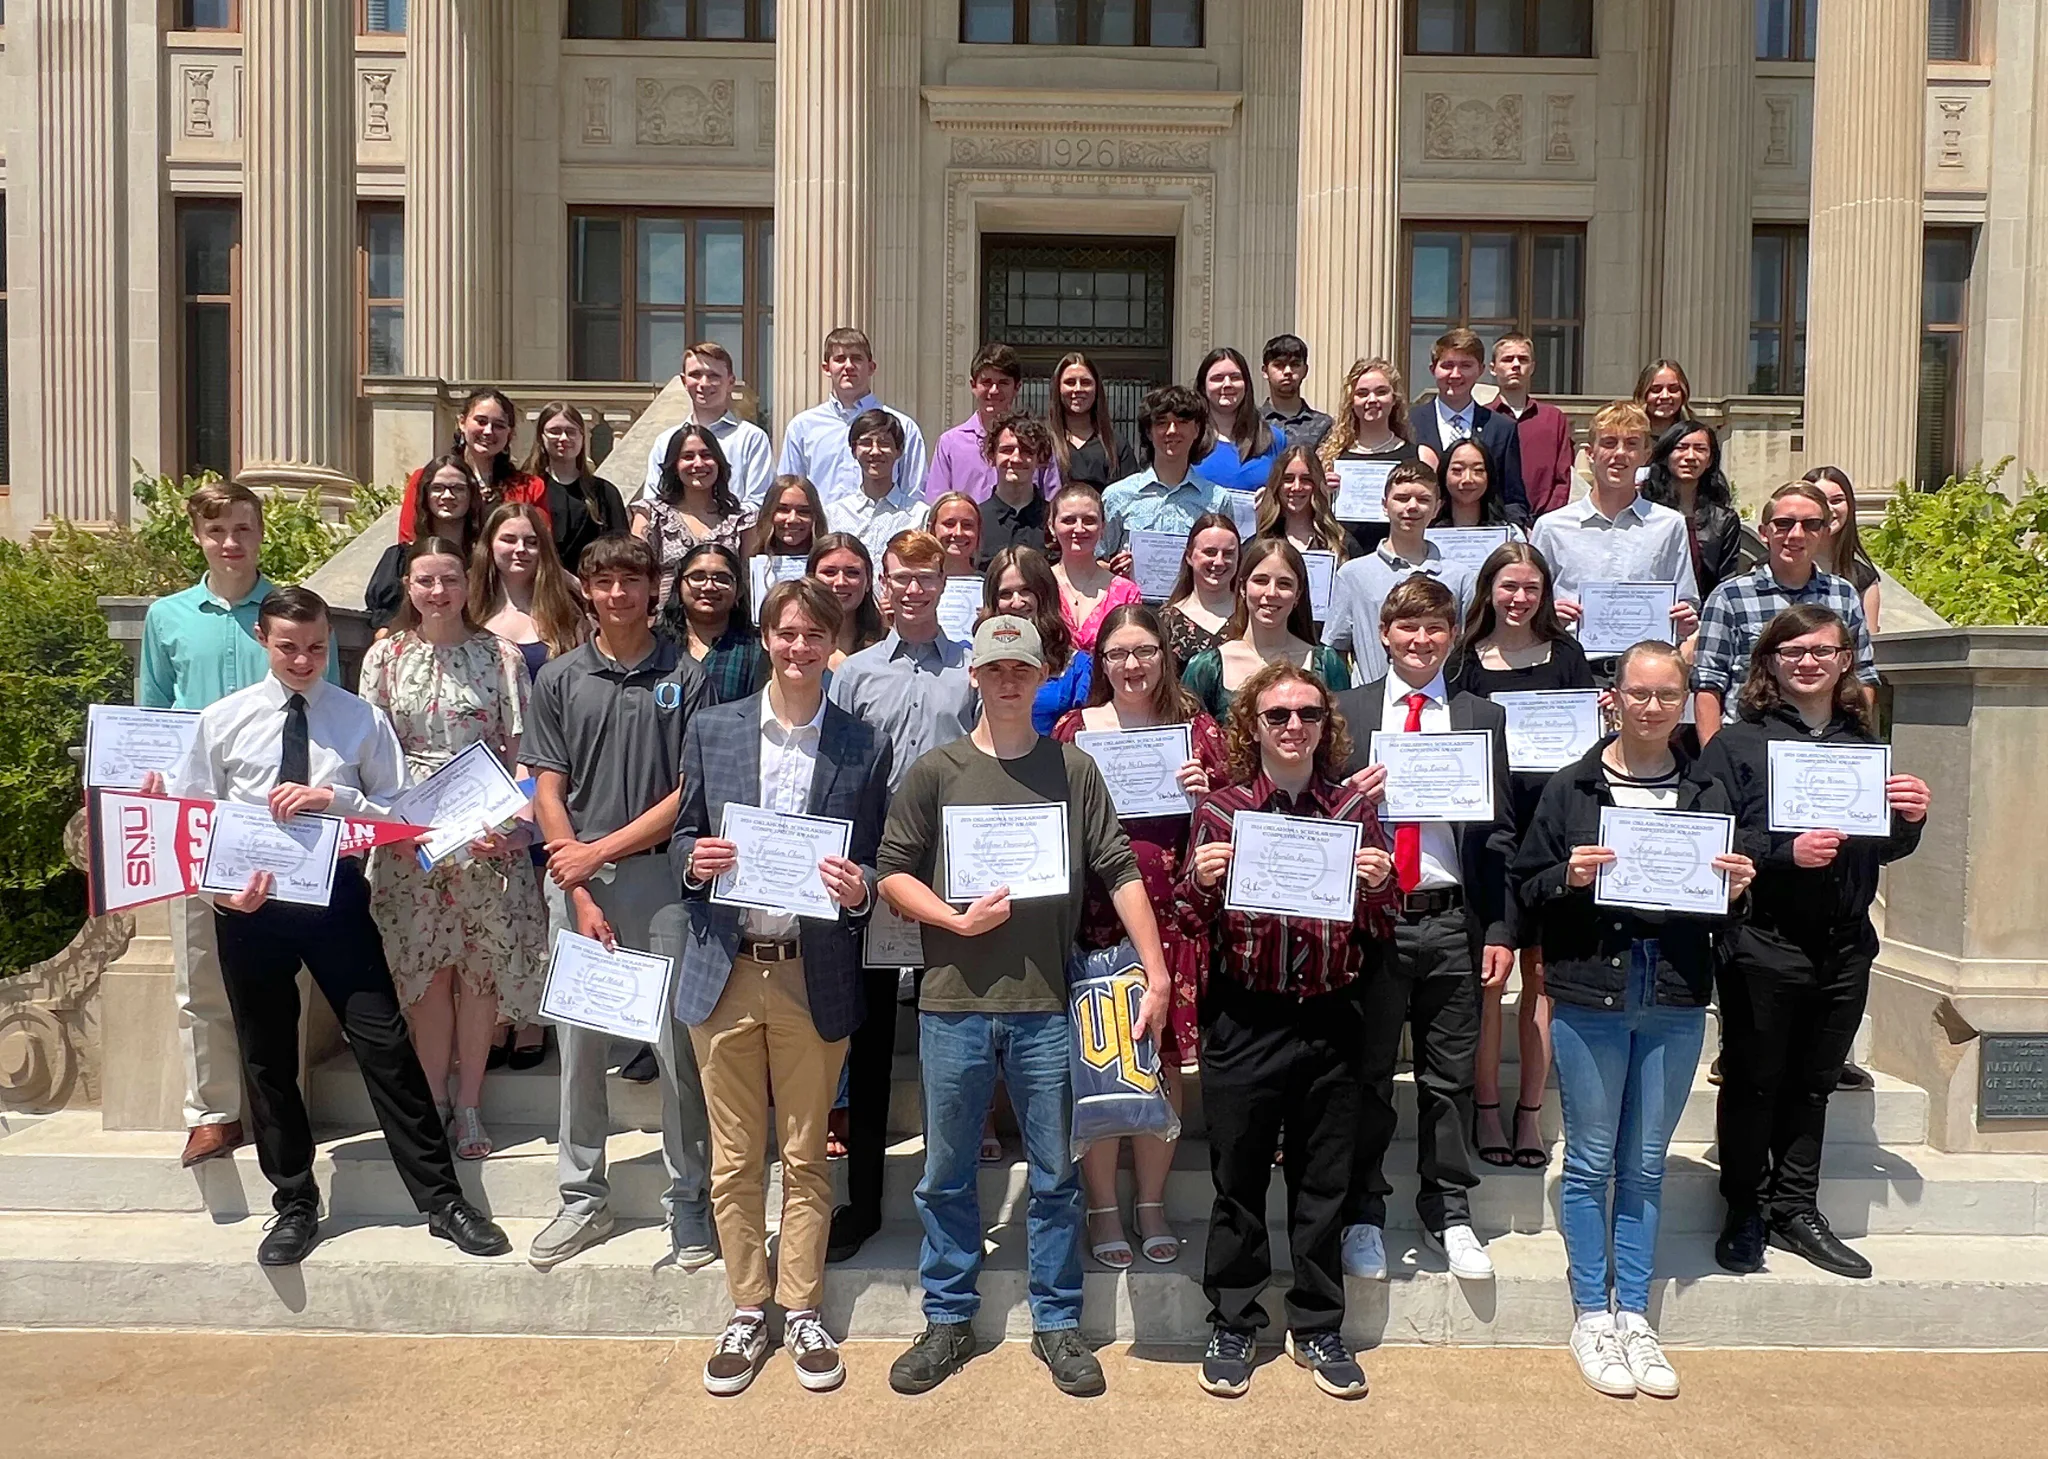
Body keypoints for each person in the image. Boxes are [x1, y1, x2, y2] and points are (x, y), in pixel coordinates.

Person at [158, 586, 508, 1265]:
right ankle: (293, 1201)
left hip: (337, 899)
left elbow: (398, 808)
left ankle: (442, 1201)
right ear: (263, 639)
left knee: (385, 1045)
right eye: (288, 647)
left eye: (316, 647)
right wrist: (221, 895)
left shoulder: (359, 719)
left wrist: (334, 797)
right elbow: (190, 820)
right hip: (249, 909)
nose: (302, 660)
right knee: (266, 1057)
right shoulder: (223, 720)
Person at [875, 613, 1171, 1400]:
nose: (1008, 681)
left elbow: (1118, 867)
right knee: (944, 1173)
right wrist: (953, 920)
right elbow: (891, 871)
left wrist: (1157, 969)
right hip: (952, 1001)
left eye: (1022, 669)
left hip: (1046, 1002)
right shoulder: (936, 771)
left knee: (1054, 1174)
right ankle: (947, 1317)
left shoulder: (1072, 768)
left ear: (1041, 678)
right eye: (995, 668)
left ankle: (1057, 1320)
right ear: (974, 675)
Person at [1510, 639, 1757, 1400]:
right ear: (1612, 697)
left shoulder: (1708, 790)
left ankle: (1634, 1314)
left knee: (1646, 1163)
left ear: (1686, 703)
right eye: (1639, 693)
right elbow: (1526, 882)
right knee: (1590, 1160)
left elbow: (1731, 901)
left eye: (1667, 695)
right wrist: (1567, 875)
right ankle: (1592, 1311)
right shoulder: (1572, 785)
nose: (1652, 707)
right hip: (1593, 986)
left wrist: (1738, 888)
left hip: (1675, 989)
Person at [671, 577, 893, 1396]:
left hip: (812, 970)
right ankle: (745, 1306)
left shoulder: (862, 743)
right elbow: (684, 835)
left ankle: (800, 1307)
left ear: (832, 645)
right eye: (787, 633)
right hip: (725, 968)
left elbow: (876, 856)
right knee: (734, 1159)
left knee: (805, 1153)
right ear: (765, 638)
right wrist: (694, 862)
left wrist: (860, 887)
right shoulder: (715, 727)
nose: (800, 648)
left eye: (814, 635)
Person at [1177, 661, 1397, 1401]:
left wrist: (1378, 886)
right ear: (1253, 725)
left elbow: (1382, 921)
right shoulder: (1222, 812)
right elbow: (1189, 919)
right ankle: (1234, 1320)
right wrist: (1201, 881)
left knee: (1322, 1180)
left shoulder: (1353, 809)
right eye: (1278, 715)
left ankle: (1317, 1323)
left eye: (1308, 713)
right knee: (1238, 1180)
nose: (1294, 726)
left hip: (1332, 1014)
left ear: (1326, 724)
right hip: (1247, 1014)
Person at [1702, 605, 1929, 1282]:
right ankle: (1745, 1207)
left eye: (1822, 651)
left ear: (1844, 661)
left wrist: (1910, 819)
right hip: (1764, 938)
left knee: (1814, 1085)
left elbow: (1881, 845)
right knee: (1753, 1080)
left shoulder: (1863, 742)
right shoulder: (1737, 744)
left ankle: (1796, 1208)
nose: (1808, 662)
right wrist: (1782, 852)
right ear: (1770, 662)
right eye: (1793, 651)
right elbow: (1708, 833)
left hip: (1845, 942)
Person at [522, 534, 715, 1272]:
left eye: (632, 581)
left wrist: (598, 853)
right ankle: (581, 1197)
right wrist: (577, 883)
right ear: (586, 589)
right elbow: (547, 789)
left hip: (659, 882)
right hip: (577, 884)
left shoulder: (687, 676)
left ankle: (689, 1198)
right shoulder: (559, 677)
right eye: (604, 582)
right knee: (579, 1049)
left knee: (676, 1049)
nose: (618, 594)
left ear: (653, 587)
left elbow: (689, 793)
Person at [138, 481, 337, 1169]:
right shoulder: (167, 616)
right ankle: (213, 1113)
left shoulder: (293, 613)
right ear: (198, 535)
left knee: (287, 975)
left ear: (260, 533)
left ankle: (280, 1107)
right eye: (218, 529)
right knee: (199, 967)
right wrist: (150, 775)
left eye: (243, 528)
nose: (231, 542)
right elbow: (152, 711)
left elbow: (327, 706)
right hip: (198, 812)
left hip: (276, 815)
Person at [1332, 575, 1514, 1287]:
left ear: (1452, 635)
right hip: (1373, 920)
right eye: (1407, 627)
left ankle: (1449, 1208)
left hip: (1450, 919)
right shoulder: (1348, 711)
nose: (1420, 639)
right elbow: (1318, 815)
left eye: (1435, 627)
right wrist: (1353, 805)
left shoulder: (1480, 717)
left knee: (1450, 1076)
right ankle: (1364, 1211)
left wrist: (1499, 927)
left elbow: (1500, 834)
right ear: (1383, 634)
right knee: (1368, 1072)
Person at [1050, 603, 1226, 1269]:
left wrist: (1206, 792)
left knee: (1161, 1060)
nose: (1132, 664)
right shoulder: (1074, 730)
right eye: (1118, 652)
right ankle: (1102, 1205)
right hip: (1091, 920)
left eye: (1145, 650)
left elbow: (1232, 816)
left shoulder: (1195, 729)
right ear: (1101, 662)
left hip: (1171, 918)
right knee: (1098, 1059)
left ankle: (1150, 1201)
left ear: (1165, 656)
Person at [360, 538, 547, 1162]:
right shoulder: (384, 657)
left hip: (484, 825)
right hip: (411, 830)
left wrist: (518, 825)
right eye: (425, 581)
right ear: (408, 587)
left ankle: (469, 1103)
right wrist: (392, 822)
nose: (438, 593)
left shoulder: (501, 656)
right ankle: (434, 1100)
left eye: (450, 580)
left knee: (479, 968)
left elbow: (523, 752)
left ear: (469, 584)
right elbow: (370, 752)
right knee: (426, 972)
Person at [823, 529, 979, 1261]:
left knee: (953, 1035)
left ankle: (954, 1202)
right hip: (876, 877)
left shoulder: (970, 672)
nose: (913, 590)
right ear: (882, 585)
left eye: (926, 577)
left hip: (948, 876)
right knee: (873, 1038)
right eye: (900, 578)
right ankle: (862, 1202)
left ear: (945, 583)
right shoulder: (853, 674)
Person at [1448, 542, 1593, 1168]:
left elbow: (1588, 752)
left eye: (1531, 588)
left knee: (1541, 976)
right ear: (1489, 590)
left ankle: (1529, 1112)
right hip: (1489, 835)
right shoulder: (1463, 659)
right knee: (1490, 976)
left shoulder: (1567, 656)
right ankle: (1485, 1107)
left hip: (1553, 832)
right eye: (1508, 586)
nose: (1519, 598)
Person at [472, 500, 587, 1071]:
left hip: (551, 771)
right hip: (485, 774)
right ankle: (499, 1012)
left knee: (543, 896)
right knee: (498, 899)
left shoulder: (565, 612)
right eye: (508, 539)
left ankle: (535, 1015)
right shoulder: (469, 610)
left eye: (531, 540)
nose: (519, 550)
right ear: (488, 546)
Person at [1692, 479, 1876, 744]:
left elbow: (1862, 676)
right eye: (1784, 524)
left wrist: (1856, 742)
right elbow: (1708, 682)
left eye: (1811, 524)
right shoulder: (1730, 597)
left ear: (1824, 533)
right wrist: (1714, 755)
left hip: (1826, 745)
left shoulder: (1844, 595)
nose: (1796, 534)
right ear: (1764, 532)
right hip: (1748, 746)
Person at [1528, 401, 1700, 678]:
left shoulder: (1670, 525)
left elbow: (1687, 599)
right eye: (1609, 443)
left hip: (1646, 675)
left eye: (1631, 444)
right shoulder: (1551, 527)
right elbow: (1528, 601)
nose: (1620, 454)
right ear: (1590, 453)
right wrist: (1546, 615)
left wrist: (1685, 616)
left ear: (1646, 454)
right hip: (1570, 670)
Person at [1322, 460, 1476, 684]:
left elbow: (1467, 646)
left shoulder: (1460, 577)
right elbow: (1335, 649)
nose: (1412, 507)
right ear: (1385, 505)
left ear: (1437, 508)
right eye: (1402, 498)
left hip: (1441, 697)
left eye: (1423, 499)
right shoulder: (1353, 575)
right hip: (1373, 698)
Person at [1181, 537, 1349, 719]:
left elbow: (1343, 731)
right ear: (1243, 588)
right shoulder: (1207, 668)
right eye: (1261, 581)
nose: (1271, 593)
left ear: (1298, 594)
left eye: (1284, 584)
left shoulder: (1326, 664)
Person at [776, 327, 927, 504]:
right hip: (823, 521)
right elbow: (789, 490)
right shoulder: (802, 427)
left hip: (886, 520)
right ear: (826, 368)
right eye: (840, 359)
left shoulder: (903, 426)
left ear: (871, 367)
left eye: (856, 358)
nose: (848, 366)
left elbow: (914, 494)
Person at [395, 387, 549, 544]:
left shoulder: (531, 488)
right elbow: (408, 541)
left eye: (499, 425)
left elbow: (541, 545)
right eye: (481, 421)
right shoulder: (426, 479)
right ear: (462, 422)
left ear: (510, 433)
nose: (488, 431)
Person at [1100, 384, 1230, 564]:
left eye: (1182, 422)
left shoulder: (1217, 499)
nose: (1172, 431)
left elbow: (1229, 561)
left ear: (1197, 430)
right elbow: (1096, 559)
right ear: (1149, 432)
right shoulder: (1117, 496)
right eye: (1162, 423)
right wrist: (1113, 569)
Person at [1408, 329, 1528, 520]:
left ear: (1480, 370)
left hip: (1484, 532)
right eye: (1447, 365)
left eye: (1465, 365)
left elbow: (1513, 498)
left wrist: (1514, 529)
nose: (1455, 375)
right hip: (1420, 532)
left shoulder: (1502, 429)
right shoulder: (1409, 424)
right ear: (1433, 369)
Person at [634, 420, 756, 608]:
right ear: (675, 465)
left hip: (725, 620)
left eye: (706, 455)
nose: (698, 464)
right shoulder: (651, 515)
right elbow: (636, 574)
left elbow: (749, 582)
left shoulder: (741, 522)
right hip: (663, 621)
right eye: (688, 456)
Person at [642, 341, 776, 510]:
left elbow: (759, 502)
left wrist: (717, 523)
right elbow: (652, 503)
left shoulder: (751, 438)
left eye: (714, 376)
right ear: (684, 381)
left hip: (737, 527)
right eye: (695, 375)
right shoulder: (665, 441)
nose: (704, 383)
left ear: (731, 382)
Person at [925, 342, 1057, 502]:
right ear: (973, 385)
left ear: (1017, 387)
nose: (994, 390)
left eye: (1003, 383)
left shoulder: (1036, 441)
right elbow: (937, 505)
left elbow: (1053, 502)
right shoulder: (950, 444)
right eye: (986, 382)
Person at [983, 545, 1093, 733]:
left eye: (1026, 590)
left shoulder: (1077, 666)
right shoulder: (976, 659)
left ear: (1045, 593)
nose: (1017, 602)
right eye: (1005, 594)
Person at [368, 455, 485, 630]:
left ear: (471, 496)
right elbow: (384, 628)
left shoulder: (487, 559)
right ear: (426, 495)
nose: (448, 496)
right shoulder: (400, 559)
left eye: (458, 488)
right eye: (438, 488)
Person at [523, 400, 629, 575]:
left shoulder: (605, 492)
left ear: (582, 437)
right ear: (541, 437)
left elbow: (620, 549)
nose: (563, 438)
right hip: (538, 583)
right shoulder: (526, 488)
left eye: (571, 432)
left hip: (591, 585)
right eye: (555, 431)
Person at [1642, 420, 1743, 599]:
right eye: (1681, 447)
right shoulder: (1644, 510)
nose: (1690, 456)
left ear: (1710, 460)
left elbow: (1726, 580)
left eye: (1700, 449)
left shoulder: (1724, 519)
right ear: (1666, 455)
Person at [661, 541, 765, 705]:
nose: (709, 586)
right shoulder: (657, 644)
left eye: (722, 579)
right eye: (697, 577)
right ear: (679, 585)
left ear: (738, 591)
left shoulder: (756, 651)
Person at [1488, 333, 1576, 518]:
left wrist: (1547, 521)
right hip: (1495, 521)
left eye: (1523, 359)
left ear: (1532, 367)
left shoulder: (1553, 419)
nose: (1516, 365)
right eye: (1507, 359)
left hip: (1545, 521)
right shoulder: (1483, 418)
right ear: (1492, 368)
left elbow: (1563, 478)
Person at [822, 409, 925, 564]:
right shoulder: (833, 516)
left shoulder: (919, 515)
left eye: (884, 444)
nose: (875, 451)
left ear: (899, 451)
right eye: (866, 443)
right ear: (853, 450)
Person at [1048, 482, 1141, 652]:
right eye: (1069, 520)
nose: (1079, 528)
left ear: (1102, 527)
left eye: (1089, 520)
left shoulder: (1126, 593)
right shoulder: (1039, 585)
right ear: (1051, 526)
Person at [1192, 346, 1287, 495]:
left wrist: (1272, 498)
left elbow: (1290, 493)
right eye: (1218, 378)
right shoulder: (1188, 438)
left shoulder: (1274, 439)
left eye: (1235, 377)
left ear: (1246, 384)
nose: (1227, 384)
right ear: (1203, 387)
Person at [1804, 465, 1883, 632]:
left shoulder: (1863, 579)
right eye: (1819, 501)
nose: (1829, 509)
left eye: (1837, 501)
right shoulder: (1772, 570)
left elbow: (1870, 642)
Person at [1162, 511, 1242, 671]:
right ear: (1189, 556)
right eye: (1210, 552)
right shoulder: (1166, 621)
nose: (1219, 561)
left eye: (1228, 554)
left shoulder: (1251, 615)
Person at [975, 413, 1057, 565]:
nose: (1016, 458)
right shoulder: (975, 521)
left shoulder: (1055, 521)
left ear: (1040, 458)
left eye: (1027, 451)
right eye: (1007, 450)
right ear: (991, 456)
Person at [805, 532, 887, 670]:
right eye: (829, 572)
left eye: (852, 573)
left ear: (868, 581)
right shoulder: (792, 643)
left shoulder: (888, 644)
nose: (840, 582)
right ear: (810, 579)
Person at [1254, 446, 1350, 561]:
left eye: (1306, 479)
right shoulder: (1258, 543)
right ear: (1277, 484)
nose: (1297, 487)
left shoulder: (1341, 542)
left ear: (1317, 484)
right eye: (1288, 479)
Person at [1046, 351, 1124, 491]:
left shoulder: (1116, 443)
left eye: (1086, 382)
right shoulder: (1044, 441)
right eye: (1070, 382)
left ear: (1096, 388)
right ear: (1058, 388)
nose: (1078, 389)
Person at [1258, 333, 1335, 453]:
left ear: (1305, 370)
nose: (1288, 371)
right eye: (1279, 365)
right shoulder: (1252, 422)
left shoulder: (1324, 425)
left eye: (1295, 364)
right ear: (1265, 371)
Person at [1434, 437, 1523, 531]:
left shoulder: (1510, 533)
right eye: (1457, 469)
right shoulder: (1426, 531)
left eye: (1478, 470)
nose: (1467, 479)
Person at [745, 474, 827, 564]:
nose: (792, 519)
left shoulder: (831, 562)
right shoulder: (749, 564)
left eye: (803, 511)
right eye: (783, 510)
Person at [925, 491, 983, 578]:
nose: (958, 533)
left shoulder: (991, 584)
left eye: (967, 525)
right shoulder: (914, 582)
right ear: (932, 529)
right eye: (949, 524)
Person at [1635, 359, 1693, 443]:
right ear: (1643, 394)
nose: (1665, 396)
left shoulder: (1697, 436)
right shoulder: (1627, 435)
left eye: (1673, 389)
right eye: (1656, 389)